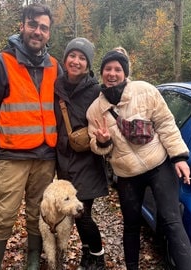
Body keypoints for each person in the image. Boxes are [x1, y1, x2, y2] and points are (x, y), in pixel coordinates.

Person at [86, 50, 191, 270]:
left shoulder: (145, 91)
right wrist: (103, 142)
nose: (112, 74)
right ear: (101, 73)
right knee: (131, 226)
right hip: (127, 175)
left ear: (125, 73)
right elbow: (97, 148)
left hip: (158, 165)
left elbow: (166, 123)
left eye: (118, 69)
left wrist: (179, 157)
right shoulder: (95, 110)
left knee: (172, 222)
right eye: (108, 69)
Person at [0, 3, 62, 270]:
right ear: (22, 26)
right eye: (33, 25)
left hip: (46, 155)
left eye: (43, 28)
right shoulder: (1, 63)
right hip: (12, 154)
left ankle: (33, 258)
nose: (38, 31)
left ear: (49, 33)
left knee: (39, 212)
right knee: (4, 214)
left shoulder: (55, 66)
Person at [54, 37, 108, 270]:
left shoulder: (97, 91)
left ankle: (98, 255)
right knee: (77, 215)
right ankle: (87, 253)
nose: (76, 61)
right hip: (63, 161)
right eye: (72, 56)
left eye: (82, 58)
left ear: (88, 64)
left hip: (87, 160)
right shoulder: (55, 87)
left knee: (82, 214)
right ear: (65, 59)